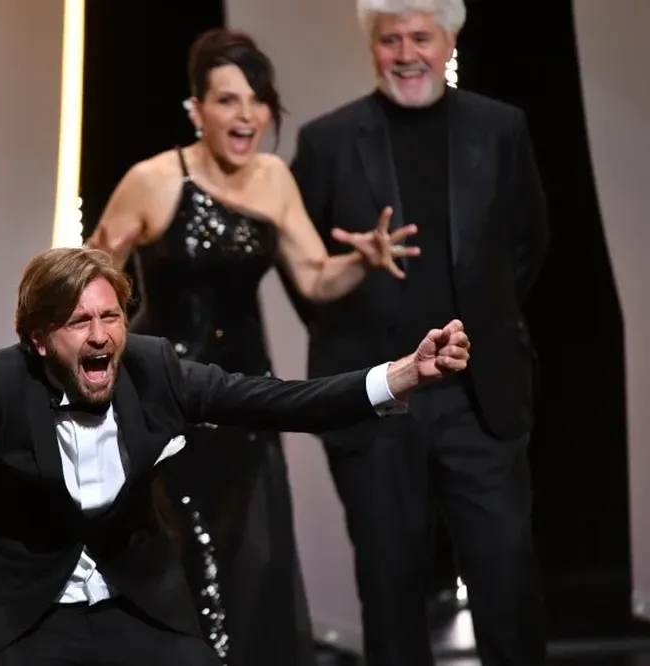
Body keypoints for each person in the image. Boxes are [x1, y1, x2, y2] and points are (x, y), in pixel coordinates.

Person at [0, 247, 471, 666]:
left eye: (111, 316)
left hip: (135, 601)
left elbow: (280, 401)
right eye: (78, 321)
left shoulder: (153, 368)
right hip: (23, 614)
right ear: (38, 337)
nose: (100, 335)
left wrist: (403, 375)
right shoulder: (0, 382)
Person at [86, 28, 419, 666]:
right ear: (197, 109)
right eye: (228, 101)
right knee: (190, 562)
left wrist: (366, 259)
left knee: (253, 564)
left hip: (247, 400)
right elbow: (92, 284)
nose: (247, 116)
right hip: (170, 404)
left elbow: (317, 278)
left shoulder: (273, 178)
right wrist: (109, 290)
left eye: (258, 101)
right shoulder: (154, 180)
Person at [281, 1, 550, 664]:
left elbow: (529, 245)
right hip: (377, 399)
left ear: (451, 39)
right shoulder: (325, 141)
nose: (406, 53)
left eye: (420, 37)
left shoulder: (499, 127)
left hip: (479, 396)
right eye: (390, 39)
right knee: (390, 588)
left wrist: (478, 330)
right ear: (372, 47)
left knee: (505, 579)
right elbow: (304, 272)